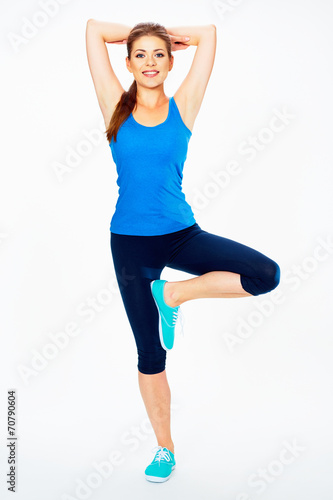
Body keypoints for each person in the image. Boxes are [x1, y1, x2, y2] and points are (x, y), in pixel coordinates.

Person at [85, 19, 280, 483]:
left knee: (264, 275)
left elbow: (210, 33)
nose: (150, 62)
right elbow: (93, 30)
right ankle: (165, 450)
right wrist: (139, 34)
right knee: (150, 355)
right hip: (130, 245)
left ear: (172, 61)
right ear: (128, 62)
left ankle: (173, 295)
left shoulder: (183, 106)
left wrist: (166, 33)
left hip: (182, 233)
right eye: (140, 55)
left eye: (159, 54)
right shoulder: (116, 104)